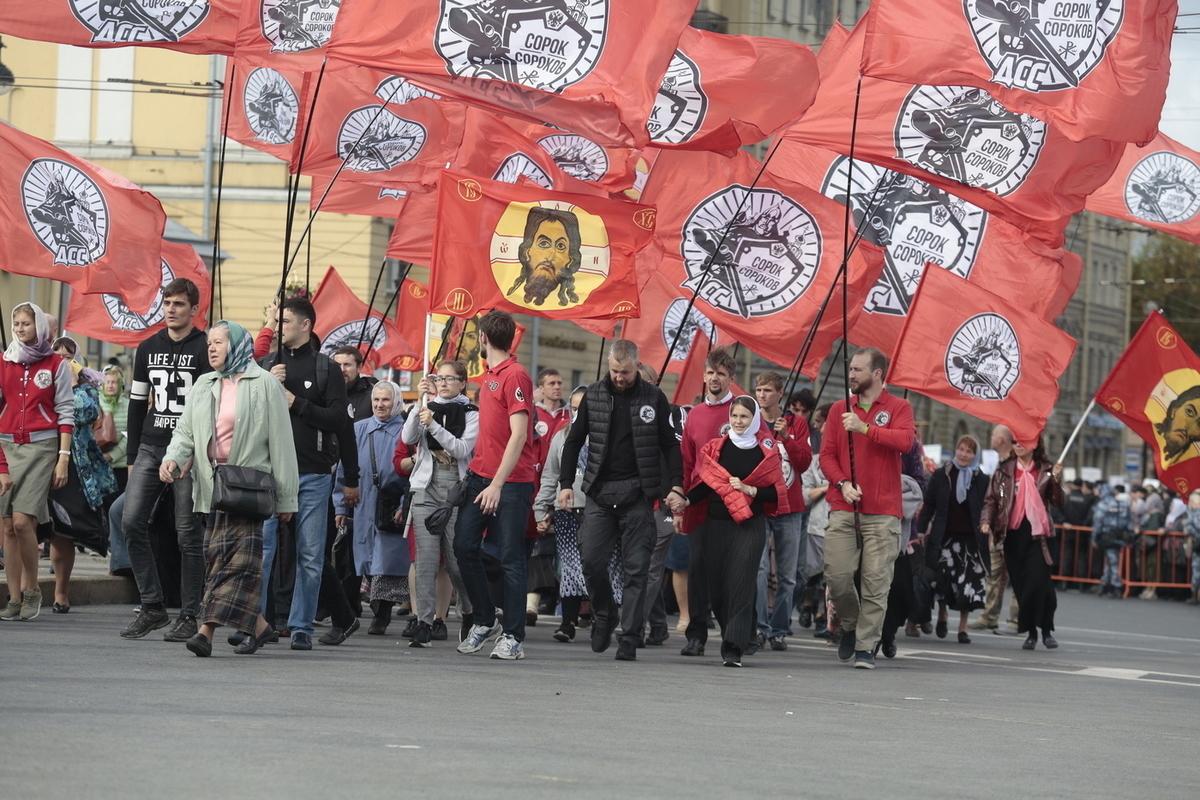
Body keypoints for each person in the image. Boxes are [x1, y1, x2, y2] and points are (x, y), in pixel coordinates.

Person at [159, 321, 299, 657]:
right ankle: (261, 626)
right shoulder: (204, 384)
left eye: (218, 342)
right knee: (219, 560)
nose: (211, 348)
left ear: (236, 345)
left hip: (249, 489)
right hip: (212, 488)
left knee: (235, 565)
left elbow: (281, 442)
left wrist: (287, 498)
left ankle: (205, 632)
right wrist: (173, 459)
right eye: (209, 343)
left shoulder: (264, 384)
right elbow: (185, 433)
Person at [558, 340, 683, 661]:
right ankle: (604, 614)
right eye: (614, 370)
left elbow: (670, 446)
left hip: (639, 495)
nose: (619, 377)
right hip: (600, 493)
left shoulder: (654, 398)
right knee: (591, 561)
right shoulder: (595, 395)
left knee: (636, 568)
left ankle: (629, 635)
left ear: (637, 367)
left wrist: (676, 486)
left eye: (625, 372)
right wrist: (565, 484)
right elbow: (573, 441)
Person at [258, 297, 359, 651]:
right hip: (269, 473)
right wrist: (267, 386)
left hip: (313, 474)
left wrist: (296, 403)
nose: (278, 326)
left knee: (310, 554)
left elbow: (338, 420)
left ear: (305, 325)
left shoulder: (325, 368)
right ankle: (258, 623)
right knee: (264, 551)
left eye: (284, 321)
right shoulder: (267, 364)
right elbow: (249, 415)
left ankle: (301, 627)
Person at [120, 279, 212, 642]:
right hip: (151, 445)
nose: (171, 309)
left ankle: (190, 613)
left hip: (188, 448)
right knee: (130, 522)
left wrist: (198, 452)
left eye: (178, 304)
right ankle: (153, 606)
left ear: (193, 309)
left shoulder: (206, 346)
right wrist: (132, 455)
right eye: (167, 303)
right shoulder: (147, 347)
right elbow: (136, 402)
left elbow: (212, 405)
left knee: (188, 533)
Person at [820, 347, 916, 669]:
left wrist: (864, 428)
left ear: (876, 373)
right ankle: (850, 624)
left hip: (884, 510)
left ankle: (865, 645)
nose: (851, 375)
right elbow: (827, 456)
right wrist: (842, 484)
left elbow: (905, 442)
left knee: (876, 582)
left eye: (858, 370)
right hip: (845, 506)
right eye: (850, 369)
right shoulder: (838, 410)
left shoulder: (899, 406)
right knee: (838, 575)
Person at [679, 397, 789, 667]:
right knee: (717, 587)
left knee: (740, 583)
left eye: (744, 417)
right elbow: (705, 485)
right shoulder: (716, 447)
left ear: (755, 420)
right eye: (735, 416)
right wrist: (685, 501)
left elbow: (776, 494)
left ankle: (733, 647)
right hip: (715, 526)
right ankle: (737, 633)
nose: (738, 422)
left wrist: (751, 490)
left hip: (749, 526)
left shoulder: (767, 450)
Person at [454, 310, 538, 660]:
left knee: (510, 558)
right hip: (481, 476)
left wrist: (498, 485)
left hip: (511, 483)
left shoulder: (515, 375)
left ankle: (515, 636)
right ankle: (486, 619)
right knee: (463, 547)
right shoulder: (488, 375)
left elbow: (520, 435)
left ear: (484, 339)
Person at [0, 303, 72, 622]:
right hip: (6, 446)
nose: (19, 329)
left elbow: (66, 413)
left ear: (39, 325)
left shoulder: (56, 364)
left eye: (26, 323)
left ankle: (33, 591)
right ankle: (13, 598)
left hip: (42, 447)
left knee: (21, 521)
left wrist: (63, 459)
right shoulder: (3, 361)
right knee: (7, 526)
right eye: (15, 323)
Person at [402, 360, 478, 645]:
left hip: (456, 489)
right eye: (439, 378)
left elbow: (460, 449)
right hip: (426, 486)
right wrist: (418, 410)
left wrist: (433, 425)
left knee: (456, 561)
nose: (443, 382)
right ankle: (424, 621)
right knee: (426, 559)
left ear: (462, 383)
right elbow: (408, 437)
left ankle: (469, 609)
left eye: (450, 378)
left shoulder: (471, 413)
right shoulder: (427, 407)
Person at [677, 346, 741, 657]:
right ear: (704, 376)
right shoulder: (695, 415)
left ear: (732, 378)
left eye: (721, 374)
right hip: (699, 503)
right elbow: (687, 463)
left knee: (728, 572)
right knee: (697, 569)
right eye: (711, 373)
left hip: (732, 505)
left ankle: (734, 633)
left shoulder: (742, 413)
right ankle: (696, 635)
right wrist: (682, 502)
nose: (715, 378)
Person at [48, 338, 118, 614]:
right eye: (57, 355)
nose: (63, 360)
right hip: (39, 459)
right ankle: (25, 590)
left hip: (73, 466)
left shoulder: (85, 387)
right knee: (29, 526)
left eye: (69, 356)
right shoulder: (41, 382)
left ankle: (61, 591)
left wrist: (73, 382)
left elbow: (86, 412)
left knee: (61, 531)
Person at [333, 381, 406, 644]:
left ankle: (381, 613)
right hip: (363, 506)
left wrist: (403, 506)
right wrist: (340, 506)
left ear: (395, 401)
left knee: (385, 562)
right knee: (364, 561)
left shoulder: (406, 432)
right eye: (376, 400)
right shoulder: (358, 429)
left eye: (385, 400)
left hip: (389, 507)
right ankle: (360, 608)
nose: (380, 405)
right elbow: (344, 472)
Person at [981, 436, 1064, 650]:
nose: (1017, 445)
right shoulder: (1004, 470)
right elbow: (991, 500)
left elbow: (1058, 502)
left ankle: (1046, 630)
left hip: (1040, 536)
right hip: (1013, 536)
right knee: (1022, 586)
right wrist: (986, 522)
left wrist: (1056, 480)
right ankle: (1031, 632)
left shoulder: (1046, 469)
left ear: (1035, 444)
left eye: (1022, 441)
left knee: (1039, 584)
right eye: (1015, 441)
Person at [753, 371, 812, 652]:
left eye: (767, 390)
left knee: (788, 574)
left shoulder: (797, 423)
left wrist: (787, 437)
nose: (762, 395)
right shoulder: (751, 420)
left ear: (780, 393)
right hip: (760, 505)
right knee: (760, 569)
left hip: (790, 507)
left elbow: (802, 463)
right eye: (758, 389)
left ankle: (779, 629)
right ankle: (760, 627)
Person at [918, 435, 989, 644]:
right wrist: (921, 530)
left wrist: (989, 530)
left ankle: (963, 627)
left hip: (971, 542)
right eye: (961, 449)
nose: (964, 454)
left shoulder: (981, 479)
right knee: (942, 582)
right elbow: (929, 504)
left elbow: (987, 508)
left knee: (967, 586)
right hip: (945, 539)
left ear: (975, 455)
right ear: (955, 449)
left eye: (969, 451)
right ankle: (942, 614)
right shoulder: (942, 475)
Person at [971, 424, 1020, 633]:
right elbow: (991, 499)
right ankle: (989, 616)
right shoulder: (1002, 466)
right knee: (994, 575)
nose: (991, 438)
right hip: (999, 530)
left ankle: (1016, 620)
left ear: (1001, 440)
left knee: (1017, 575)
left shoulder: (1016, 466)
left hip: (1015, 529)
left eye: (993, 435)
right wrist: (987, 522)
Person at [799, 403, 832, 635]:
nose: (817, 427)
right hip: (817, 525)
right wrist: (826, 488)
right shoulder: (815, 461)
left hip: (838, 524)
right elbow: (805, 495)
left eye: (820, 422)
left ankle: (823, 614)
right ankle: (808, 606)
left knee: (830, 575)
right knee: (812, 572)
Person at [1091, 482, 1132, 599]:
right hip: (1120, 536)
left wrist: (1094, 538)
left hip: (1107, 536)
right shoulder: (1123, 504)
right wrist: (1130, 536)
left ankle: (1116, 585)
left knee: (1112, 561)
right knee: (1111, 559)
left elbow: (1097, 523)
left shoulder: (1102, 504)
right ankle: (1104, 584)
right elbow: (1129, 521)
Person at [332, 345, 377, 423]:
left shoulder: (372, 396)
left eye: (347, 365)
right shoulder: (326, 393)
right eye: (338, 365)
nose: (342, 369)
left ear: (359, 368)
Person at [534, 368, 568, 440]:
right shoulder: (534, 414)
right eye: (552, 383)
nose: (557, 387)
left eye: (559, 383)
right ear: (541, 388)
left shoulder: (570, 413)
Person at [1184, 490, 1200, 605]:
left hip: (1198, 543)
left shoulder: (1195, 513)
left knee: (1197, 570)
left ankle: (1194, 595)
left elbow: (1191, 527)